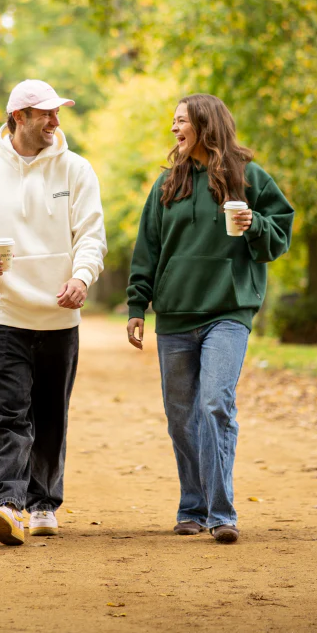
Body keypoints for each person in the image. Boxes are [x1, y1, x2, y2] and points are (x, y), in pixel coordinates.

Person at [0, 79, 107, 546]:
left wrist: (82, 277)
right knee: (9, 414)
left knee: (51, 415)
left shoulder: (77, 170)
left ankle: (42, 503)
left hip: (59, 317)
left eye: (57, 113)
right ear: (19, 117)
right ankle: (7, 504)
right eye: (46, 113)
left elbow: (91, 236)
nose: (55, 121)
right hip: (3, 315)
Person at [126, 94, 294, 544]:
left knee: (216, 403)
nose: (174, 129)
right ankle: (192, 506)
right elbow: (147, 247)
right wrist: (137, 304)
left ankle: (221, 513)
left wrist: (255, 223)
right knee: (181, 417)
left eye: (181, 121)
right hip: (176, 314)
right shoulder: (167, 184)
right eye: (174, 121)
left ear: (205, 124)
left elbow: (280, 234)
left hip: (228, 310)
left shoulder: (249, 177)